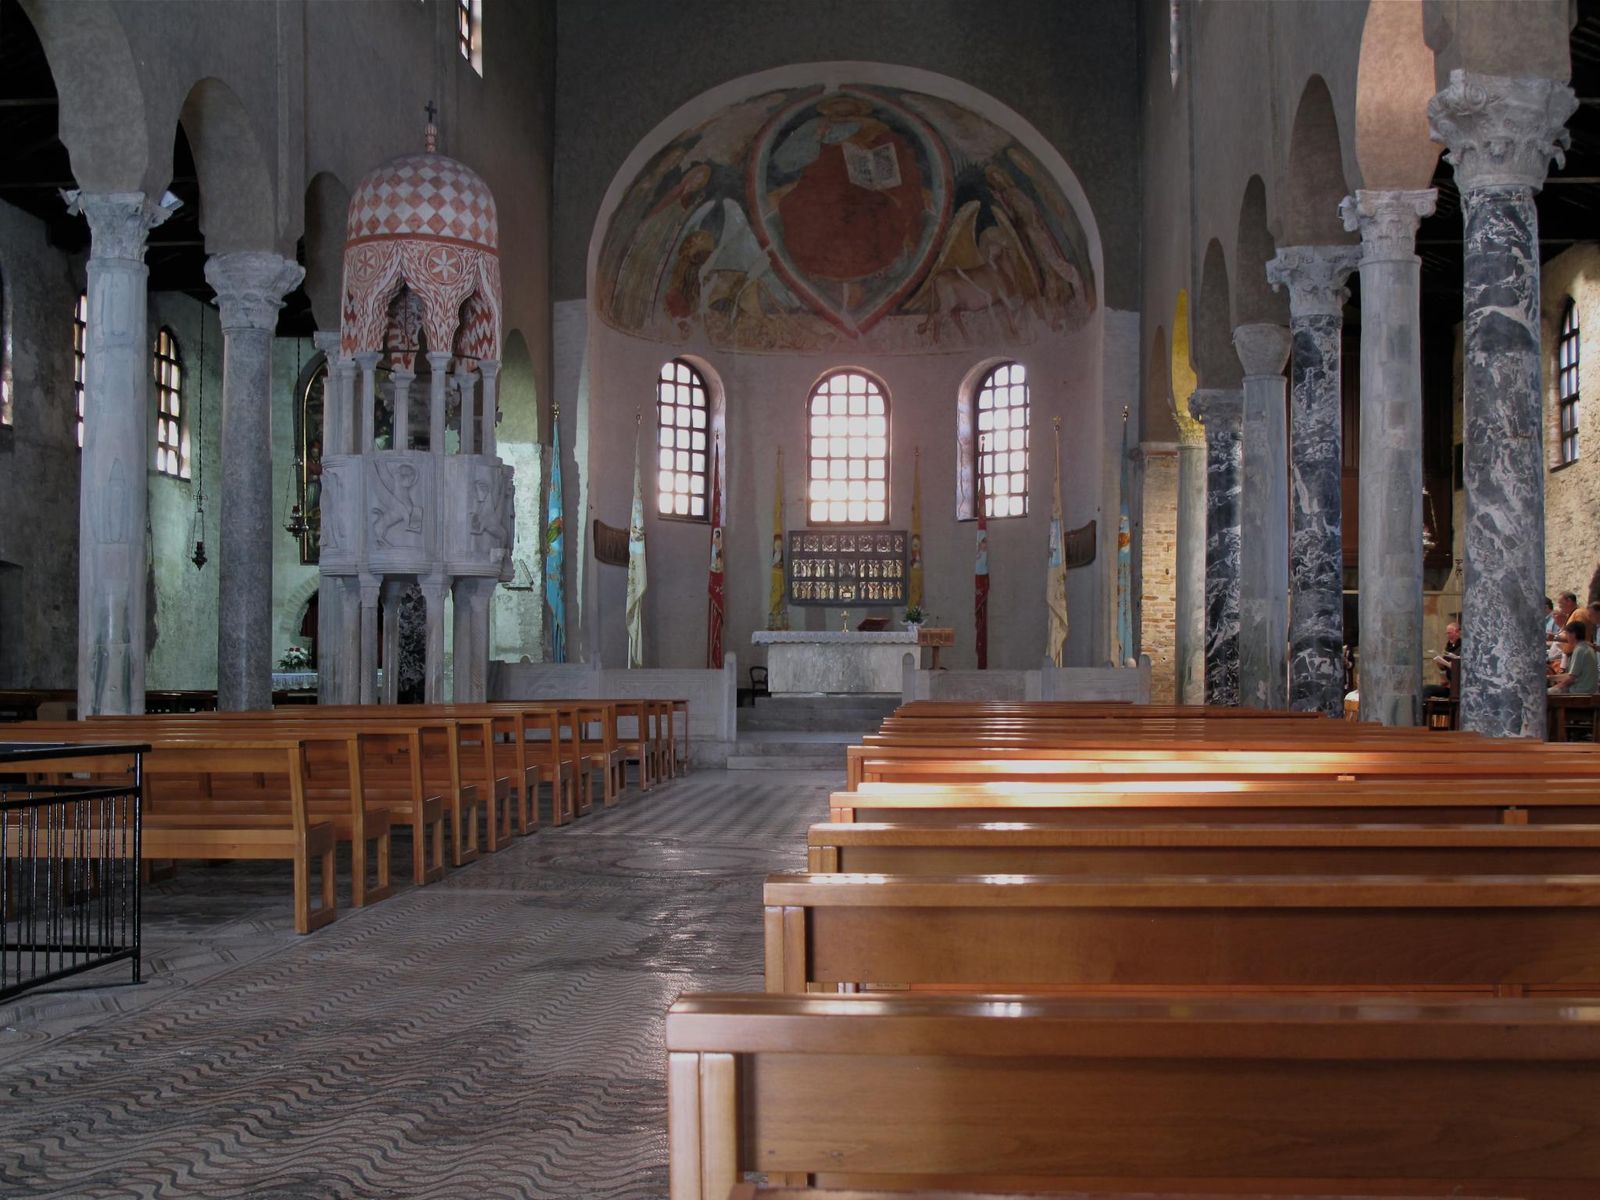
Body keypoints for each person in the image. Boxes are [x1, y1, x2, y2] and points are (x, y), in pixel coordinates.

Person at [1550, 620, 1598, 695]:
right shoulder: (1587, 648)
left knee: (1546, 694)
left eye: (1567, 634)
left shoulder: (1579, 650)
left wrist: (1555, 687)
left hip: (1581, 691)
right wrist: (1551, 677)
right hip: (1588, 689)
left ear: (1573, 634)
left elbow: (1571, 678)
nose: (1566, 637)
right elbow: (1572, 674)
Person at [1423, 622, 1461, 701]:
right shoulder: (1448, 647)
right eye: (1447, 634)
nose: (1448, 636)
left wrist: (1452, 664)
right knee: (1425, 689)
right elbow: (1443, 669)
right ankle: (1423, 711)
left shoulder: (1463, 647)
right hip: (1448, 685)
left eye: (1450, 633)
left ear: (1458, 632)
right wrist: (1440, 664)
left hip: (1458, 687)